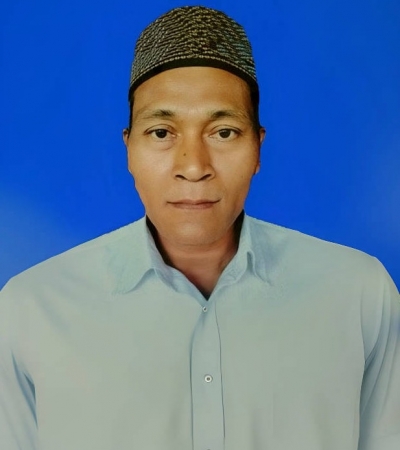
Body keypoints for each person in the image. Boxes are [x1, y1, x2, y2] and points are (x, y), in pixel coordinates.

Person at [0, 5, 399, 450]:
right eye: (161, 132)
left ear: (258, 147)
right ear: (128, 149)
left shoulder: (358, 294)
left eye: (223, 132)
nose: (193, 167)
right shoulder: (32, 308)